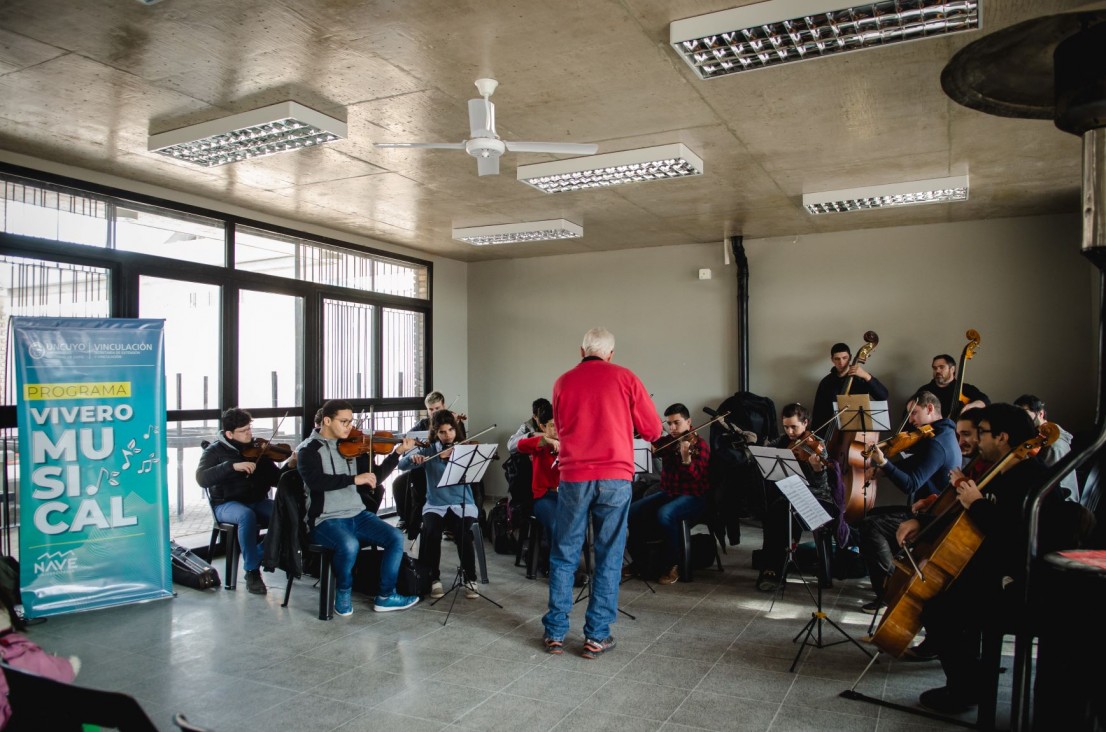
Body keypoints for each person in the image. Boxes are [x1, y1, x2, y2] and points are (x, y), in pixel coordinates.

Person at [896, 404, 1061, 714]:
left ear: (1002, 437)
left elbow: (1015, 534)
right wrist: (925, 524)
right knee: (943, 599)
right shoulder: (1003, 468)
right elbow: (964, 516)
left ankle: (966, 688)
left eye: (982, 433)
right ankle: (972, 677)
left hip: (1017, 580)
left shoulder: (1028, 476)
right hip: (996, 566)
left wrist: (978, 504)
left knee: (938, 610)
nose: (977, 440)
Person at [542, 327, 661, 659]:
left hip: (574, 476)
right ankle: (596, 636)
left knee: (565, 553)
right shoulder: (625, 377)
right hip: (615, 477)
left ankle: (554, 633)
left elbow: (563, 428)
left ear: (581, 351)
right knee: (609, 554)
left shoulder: (563, 382)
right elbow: (652, 430)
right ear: (610, 354)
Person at [297, 399, 419, 616]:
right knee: (349, 545)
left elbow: (375, 478)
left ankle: (386, 595)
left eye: (350, 421)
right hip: (325, 519)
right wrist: (354, 479)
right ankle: (343, 591)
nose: (349, 427)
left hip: (357, 514)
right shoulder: (309, 450)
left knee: (395, 537)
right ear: (326, 420)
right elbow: (317, 482)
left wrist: (397, 453)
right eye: (344, 421)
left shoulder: (352, 445)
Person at [858, 391, 960, 613]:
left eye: (914, 413)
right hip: (926, 508)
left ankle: (889, 593)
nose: (911, 419)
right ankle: (895, 577)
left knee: (870, 526)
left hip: (932, 516)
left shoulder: (938, 443)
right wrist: (883, 471)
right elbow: (916, 463)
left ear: (930, 408)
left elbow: (911, 484)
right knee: (870, 516)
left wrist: (884, 463)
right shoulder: (940, 434)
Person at [196, 408, 286, 595]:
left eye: (249, 429)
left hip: (257, 500)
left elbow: (276, 480)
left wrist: (290, 465)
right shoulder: (214, 451)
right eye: (244, 431)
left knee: (286, 513)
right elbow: (202, 478)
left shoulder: (257, 450)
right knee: (246, 515)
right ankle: (252, 571)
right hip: (225, 504)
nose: (249, 434)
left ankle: (261, 554)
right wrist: (231, 466)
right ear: (229, 434)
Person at [755, 403, 838, 592]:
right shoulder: (783, 441)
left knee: (780, 514)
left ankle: (776, 570)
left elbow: (821, 485)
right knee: (773, 513)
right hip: (791, 497)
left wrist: (817, 468)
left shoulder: (817, 445)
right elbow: (764, 454)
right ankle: (770, 569)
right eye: (786, 426)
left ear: (805, 423)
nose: (790, 432)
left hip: (817, 500)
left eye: (794, 426)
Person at [398, 409, 480, 600]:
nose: (448, 435)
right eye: (442, 432)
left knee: (462, 531)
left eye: (451, 430)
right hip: (435, 504)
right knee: (431, 531)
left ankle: (470, 577)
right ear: (436, 433)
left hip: (462, 502)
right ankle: (433, 578)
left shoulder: (464, 449)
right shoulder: (428, 450)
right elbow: (402, 466)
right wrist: (412, 458)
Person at [625, 403, 710, 585]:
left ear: (689, 422)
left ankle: (674, 564)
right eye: (669, 424)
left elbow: (696, 479)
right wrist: (639, 420)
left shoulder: (700, 445)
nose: (671, 428)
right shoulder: (668, 442)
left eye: (676, 423)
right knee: (632, 511)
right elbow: (652, 439)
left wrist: (686, 459)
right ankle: (640, 562)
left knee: (665, 514)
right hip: (669, 492)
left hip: (693, 496)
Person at [393, 390, 467, 534]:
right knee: (399, 483)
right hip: (426, 465)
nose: (433, 413)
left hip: (448, 466)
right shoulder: (423, 424)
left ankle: (445, 521)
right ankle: (408, 519)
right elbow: (409, 439)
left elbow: (461, 443)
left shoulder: (452, 421)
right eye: (430, 410)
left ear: (444, 406)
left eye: (437, 409)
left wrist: (455, 426)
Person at [811, 342, 890, 440]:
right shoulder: (826, 382)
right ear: (832, 360)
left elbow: (883, 396)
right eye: (837, 359)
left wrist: (866, 376)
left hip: (858, 434)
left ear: (851, 357)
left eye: (845, 358)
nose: (841, 362)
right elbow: (818, 413)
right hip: (832, 435)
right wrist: (815, 438)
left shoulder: (861, 378)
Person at [1013, 394, 1079, 501]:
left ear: (1041, 413)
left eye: (1024, 414)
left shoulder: (1054, 446)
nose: (1020, 419)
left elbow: (1057, 490)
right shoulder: (1032, 438)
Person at [516, 401, 560, 541]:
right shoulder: (540, 444)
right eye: (553, 425)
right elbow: (520, 445)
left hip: (568, 496)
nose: (558, 429)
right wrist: (546, 440)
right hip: (545, 497)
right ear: (542, 426)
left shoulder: (569, 442)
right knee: (554, 524)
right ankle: (557, 560)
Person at [914, 354, 989, 419]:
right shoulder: (925, 391)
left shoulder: (966, 388)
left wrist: (969, 406)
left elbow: (985, 400)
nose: (937, 371)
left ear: (952, 369)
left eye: (941, 367)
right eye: (934, 368)